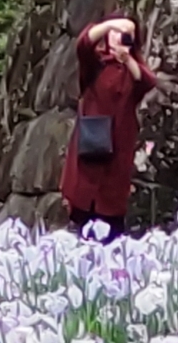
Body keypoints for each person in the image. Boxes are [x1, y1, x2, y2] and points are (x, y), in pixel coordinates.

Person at [60, 15, 157, 241]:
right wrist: (110, 24)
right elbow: (83, 44)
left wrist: (127, 59)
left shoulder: (133, 71)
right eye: (115, 32)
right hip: (90, 148)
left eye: (126, 34)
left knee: (111, 220)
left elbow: (148, 81)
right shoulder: (96, 63)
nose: (119, 36)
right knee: (82, 215)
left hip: (117, 155)